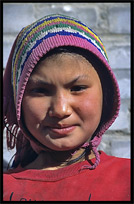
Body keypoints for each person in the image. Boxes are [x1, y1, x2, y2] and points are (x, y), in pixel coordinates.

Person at [3, 14, 130, 201]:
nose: (61, 110)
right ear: (19, 101)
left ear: (107, 95)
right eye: (40, 90)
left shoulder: (126, 178)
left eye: (77, 88)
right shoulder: (7, 187)